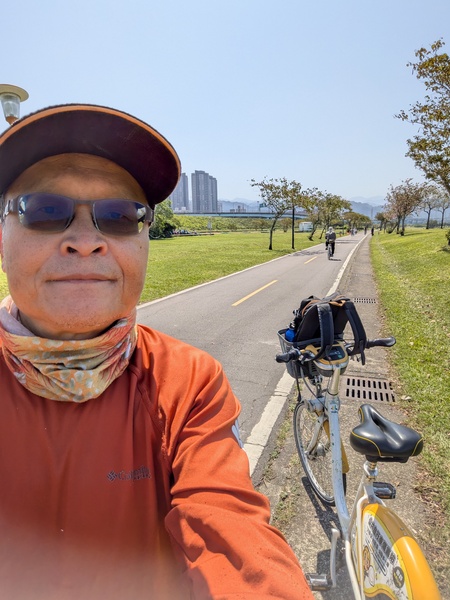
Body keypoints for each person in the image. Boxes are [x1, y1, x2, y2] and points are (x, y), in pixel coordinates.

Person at [0, 104, 314, 600]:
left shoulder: (189, 381)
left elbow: (232, 531)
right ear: (2, 238)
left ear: (145, 237)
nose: (85, 241)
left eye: (119, 216)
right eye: (44, 210)